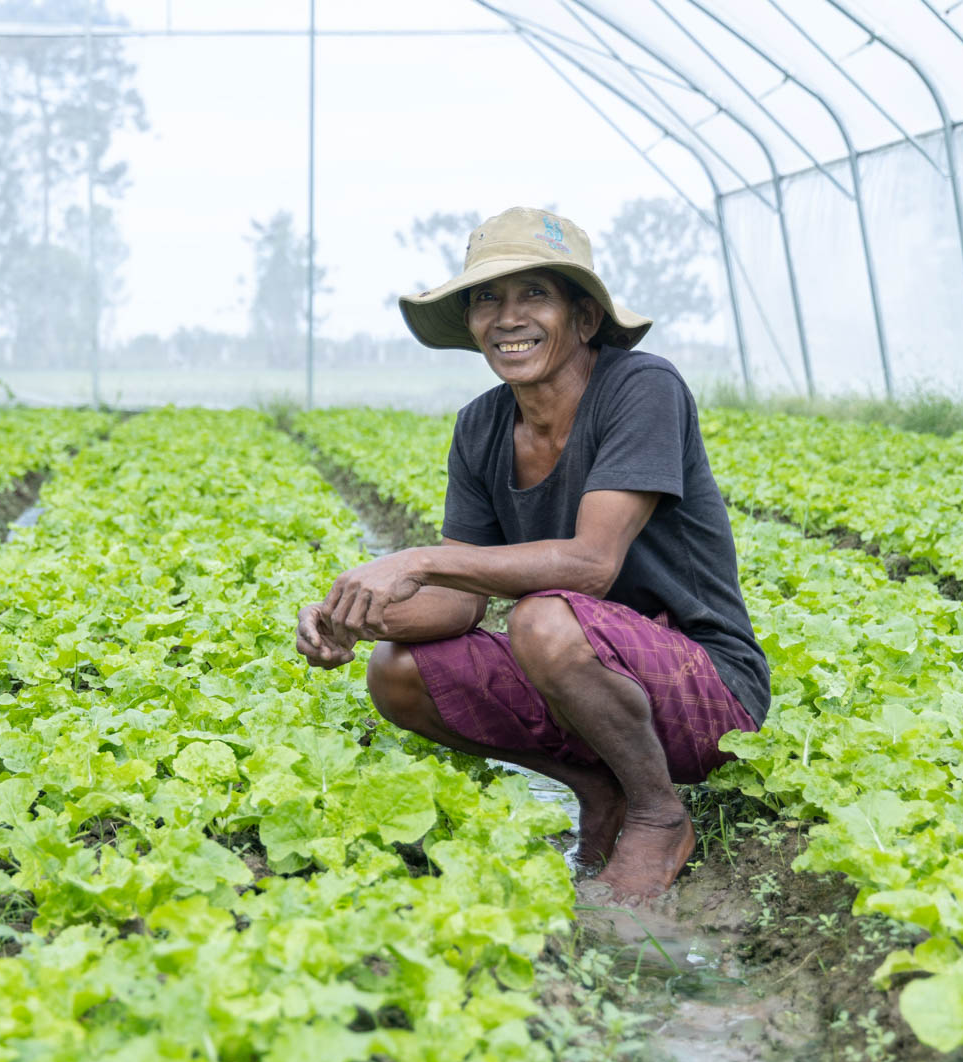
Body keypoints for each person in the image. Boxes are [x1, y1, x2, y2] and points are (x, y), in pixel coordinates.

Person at [295, 207, 768, 905]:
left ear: (583, 319)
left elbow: (590, 567)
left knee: (544, 619)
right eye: (488, 299)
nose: (508, 318)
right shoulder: (482, 425)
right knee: (397, 673)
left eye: (534, 295)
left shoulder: (643, 388)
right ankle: (597, 785)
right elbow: (459, 605)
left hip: (705, 691)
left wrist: (415, 558)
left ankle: (657, 813)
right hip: (584, 675)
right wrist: (354, 617)